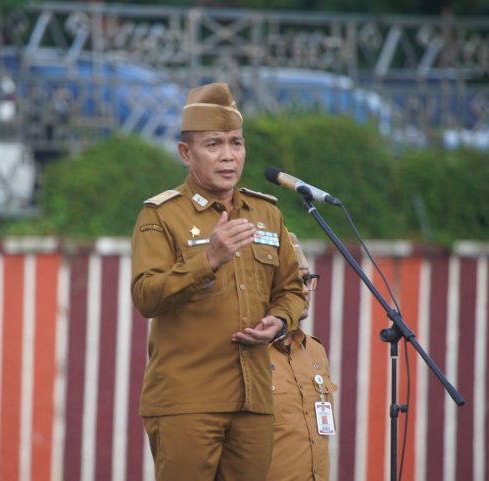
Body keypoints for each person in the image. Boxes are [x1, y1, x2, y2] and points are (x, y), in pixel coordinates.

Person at [131, 82, 307, 481]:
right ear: (185, 153)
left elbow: (292, 290)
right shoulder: (161, 215)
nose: (228, 155)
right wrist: (207, 259)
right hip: (187, 400)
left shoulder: (266, 213)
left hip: (254, 400)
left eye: (236, 143)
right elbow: (145, 297)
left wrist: (280, 321)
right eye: (213, 144)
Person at [267, 233, 338, 481]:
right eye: (296, 281)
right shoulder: (245, 352)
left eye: (308, 280)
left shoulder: (314, 350)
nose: (306, 290)